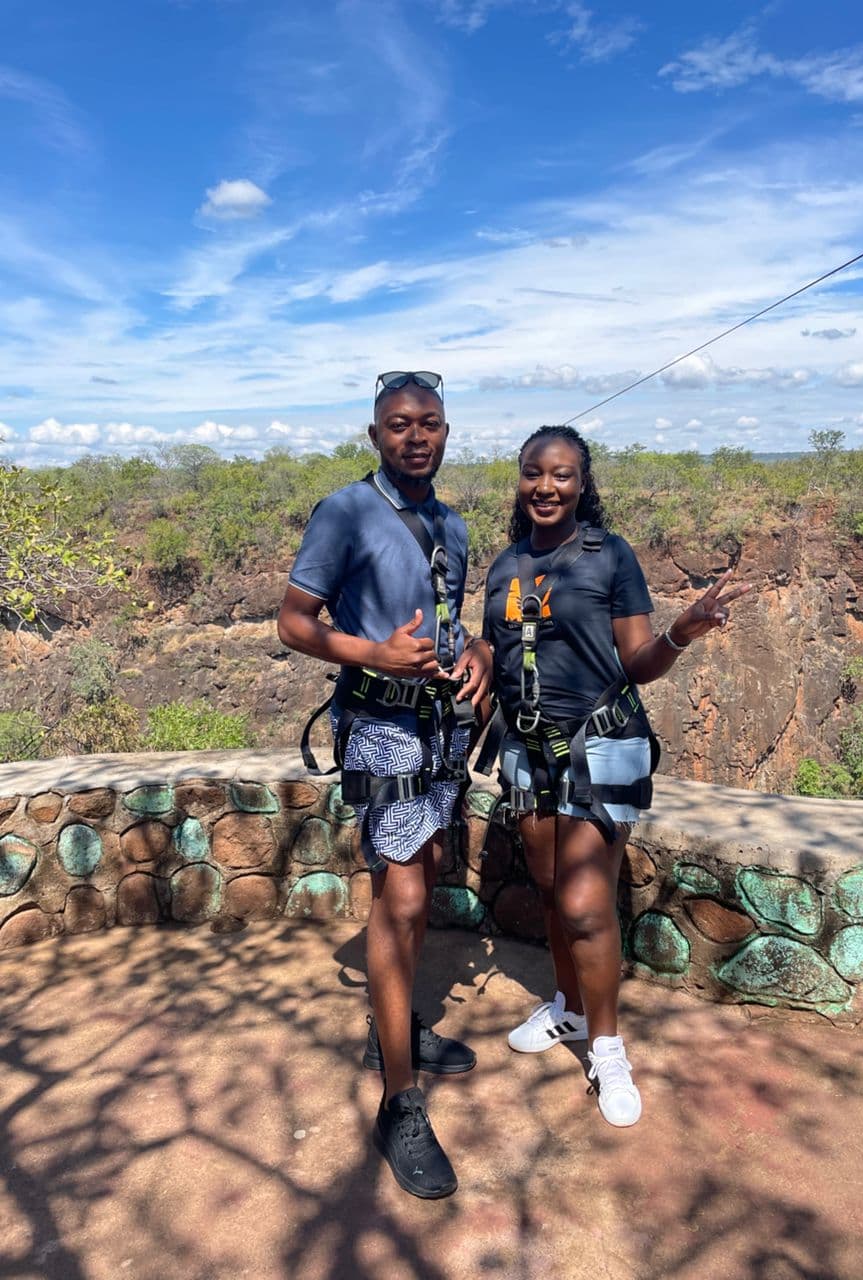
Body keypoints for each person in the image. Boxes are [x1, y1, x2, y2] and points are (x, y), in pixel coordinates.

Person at [481, 425, 749, 1128]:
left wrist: (682, 632)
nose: (546, 486)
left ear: (582, 484)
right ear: (519, 479)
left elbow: (636, 662)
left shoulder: (610, 556)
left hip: (601, 744)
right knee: (549, 889)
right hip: (528, 749)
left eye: (562, 475)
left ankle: (607, 1048)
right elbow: (495, 656)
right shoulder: (505, 566)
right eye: (534, 473)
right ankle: (569, 1010)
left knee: (582, 904)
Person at [277, 371, 492, 1199]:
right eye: (399, 424)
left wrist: (475, 652)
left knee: (425, 876)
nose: (416, 436)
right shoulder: (345, 511)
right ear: (376, 436)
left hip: (441, 729)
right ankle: (400, 1101)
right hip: (378, 724)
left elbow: (445, 621)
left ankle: (391, 1031)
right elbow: (294, 621)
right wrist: (375, 655)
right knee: (399, 897)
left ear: (445, 432)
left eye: (429, 423)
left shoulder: (452, 525)